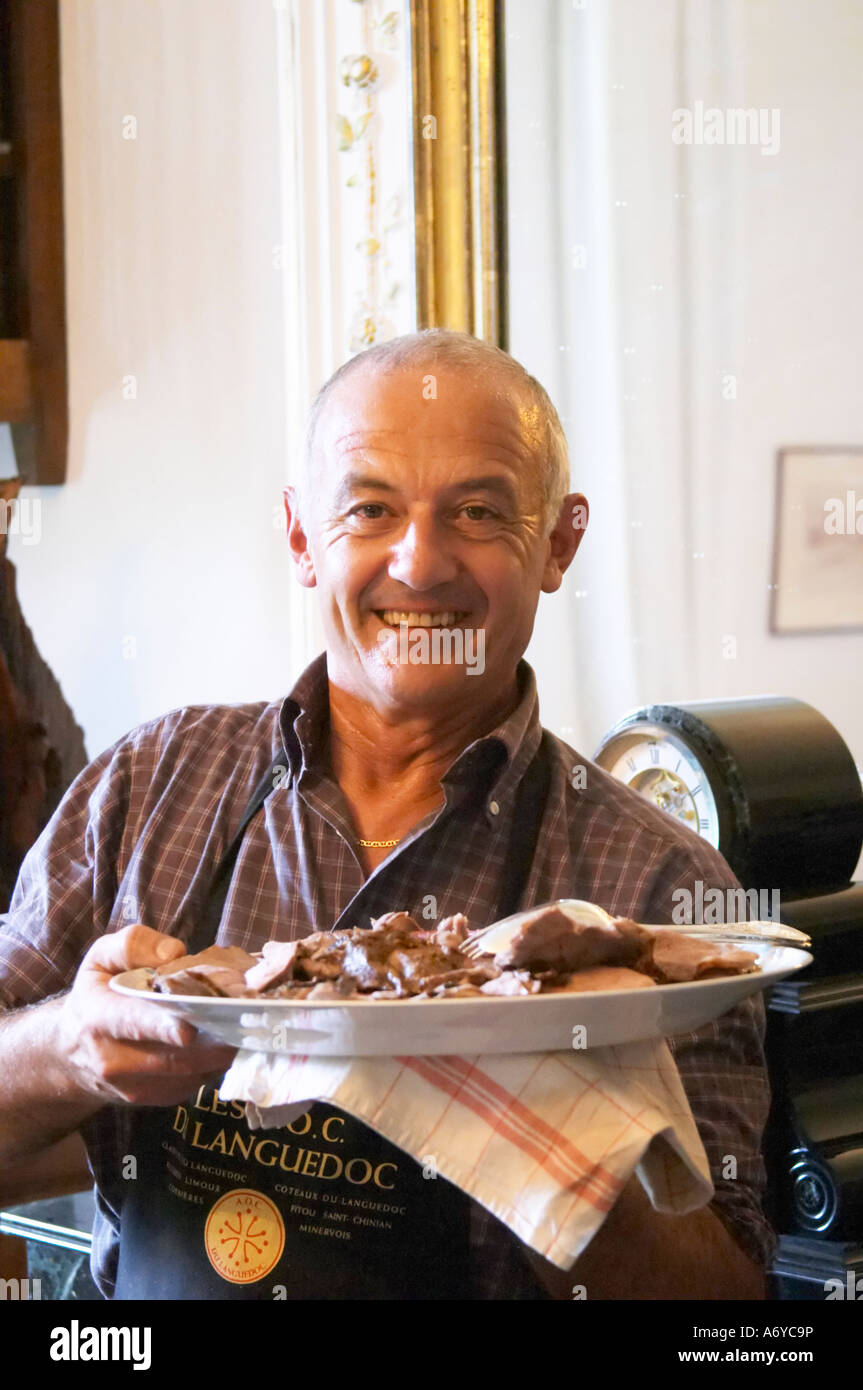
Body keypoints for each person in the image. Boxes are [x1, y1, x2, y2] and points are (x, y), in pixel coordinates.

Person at [0, 329, 772, 1300]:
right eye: (369, 508)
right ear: (298, 539)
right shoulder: (148, 786)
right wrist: (71, 1044)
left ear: (558, 543)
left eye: (478, 511)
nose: (418, 562)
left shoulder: (661, 888)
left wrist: (541, 1122)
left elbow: (730, 1307)